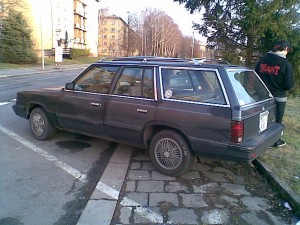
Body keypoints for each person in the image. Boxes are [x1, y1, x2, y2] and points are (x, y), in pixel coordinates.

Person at [255, 40, 295, 147]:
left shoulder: (263, 60)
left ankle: (259, 138)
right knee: (277, 119)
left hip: (261, 95)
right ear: (286, 49)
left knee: (261, 118)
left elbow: (255, 74)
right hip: (278, 97)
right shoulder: (286, 64)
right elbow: (288, 85)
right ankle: (275, 140)